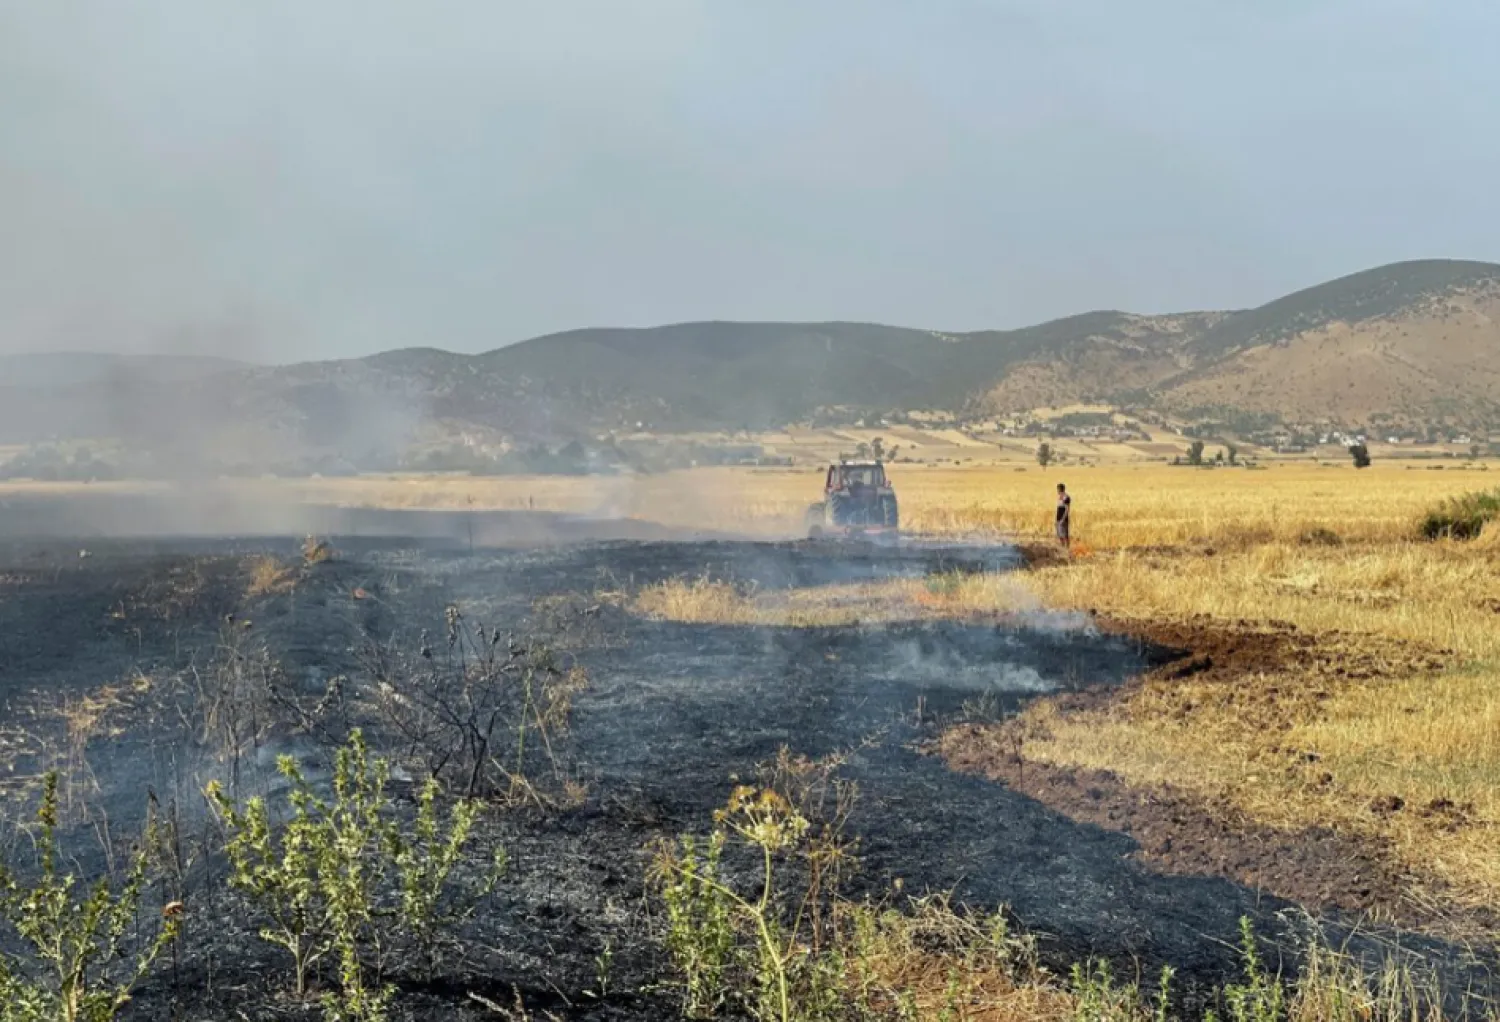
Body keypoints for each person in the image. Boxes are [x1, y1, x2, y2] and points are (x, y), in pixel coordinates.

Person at [1055, 483, 1071, 548]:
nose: (1057, 491)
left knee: (1065, 534)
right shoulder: (1060, 497)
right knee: (1059, 534)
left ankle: (1067, 548)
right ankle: (1062, 546)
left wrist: (1063, 519)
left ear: (1060, 489)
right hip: (1058, 518)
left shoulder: (1066, 497)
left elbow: (1067, 509)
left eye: (1058, 489)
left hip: (1063, 519)